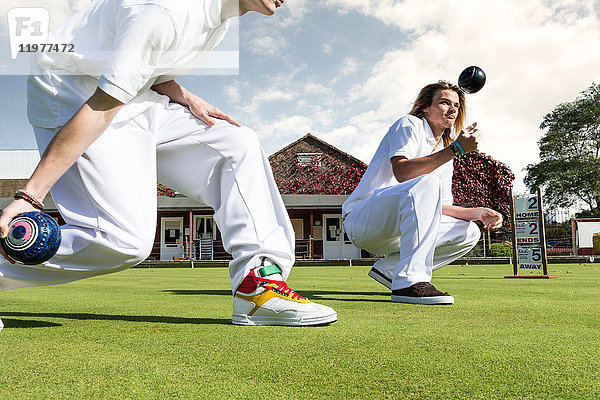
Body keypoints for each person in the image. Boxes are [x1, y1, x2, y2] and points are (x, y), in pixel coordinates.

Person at [0, 0, 337, 330]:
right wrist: (30, 196)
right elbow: (102, 106)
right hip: (74, 91)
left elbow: (146, 63)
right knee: (122, 240)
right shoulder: (164, 10)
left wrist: (181, 93)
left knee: (237, 143)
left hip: (134, 97)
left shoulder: (218, 22)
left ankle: (257, 287)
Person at [342, 81, 503, 305]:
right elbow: (402, 172)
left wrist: (478, 213)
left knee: (469, 232)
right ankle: (409, 282)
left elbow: (440, 207)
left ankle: (391, 271)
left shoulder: (445, 154)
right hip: (364, 221)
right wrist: (456, 149)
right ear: (425, 107)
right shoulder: (409, 124)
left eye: (456, 105)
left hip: (398, 231)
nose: (453, 109)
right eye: (445, 102)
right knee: (426, 182)